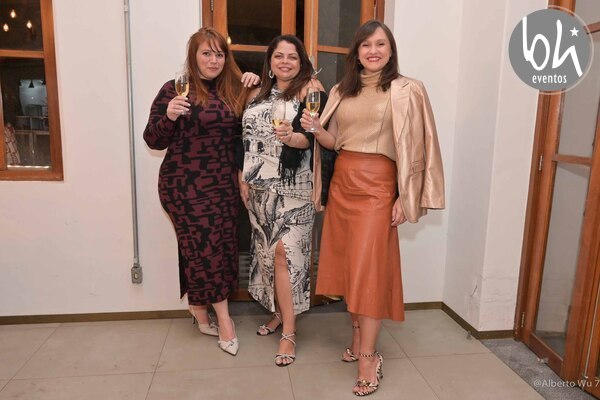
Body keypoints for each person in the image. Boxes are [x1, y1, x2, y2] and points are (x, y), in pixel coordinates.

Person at [300, 20, 445, 396]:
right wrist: (316, 129)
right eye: (366, 45)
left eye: (380, 44)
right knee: (350, 267)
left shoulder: (409, 89)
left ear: (391, 49)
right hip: (343, 184)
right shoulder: (341, 89)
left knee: (369, 272)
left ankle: (369, 357)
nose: (373, 51)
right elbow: (334, 142)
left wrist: (404, 195)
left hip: (380, 187)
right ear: (357, 51)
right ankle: (357, 337)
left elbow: (422, 144)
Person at [143, 27, 259, 357]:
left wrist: (255, 83)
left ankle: (197, 307)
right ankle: (225, 320)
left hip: (222, 184)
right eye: (206, 53)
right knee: (206, 247)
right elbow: (153, 140)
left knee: (212, 247)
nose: (213, 60)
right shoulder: (174, 89)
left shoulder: (233, 89)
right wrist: (168, 116)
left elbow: (248, 128)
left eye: (219, 54)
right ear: (193, 56)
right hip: (183, 185)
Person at [239, 35, 327, 366]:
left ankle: (289, 332)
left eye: (292, 56)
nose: (285, 61)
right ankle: (279, 312)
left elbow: (313, 138)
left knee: (286, 257)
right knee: (266, 255)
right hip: (258, 188)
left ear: (301, 61)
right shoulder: (256, 93)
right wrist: (242, 176)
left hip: (294, 189)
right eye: (279, 56)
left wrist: (292, 138)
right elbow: (244, 138)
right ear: (270, 61)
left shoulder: (310, 89)